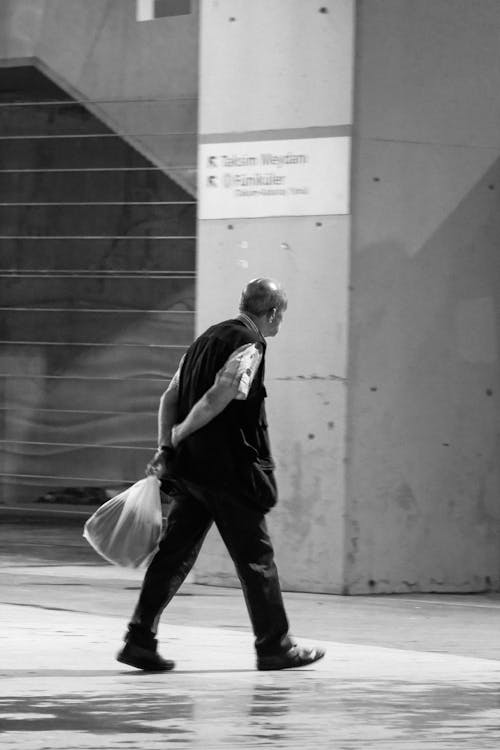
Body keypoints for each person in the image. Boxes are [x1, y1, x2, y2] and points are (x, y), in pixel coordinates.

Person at [117, 278, 325, 672]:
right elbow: (223, 392)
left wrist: (166, 447)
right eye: (282, 316)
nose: (281, 323)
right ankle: (274, 646)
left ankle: (139, 639)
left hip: (191, 473)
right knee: (256, 559)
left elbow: (170, 396)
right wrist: (178, 434)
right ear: (274, 313)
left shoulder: (204, 340)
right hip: (228, 474)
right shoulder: (249, 344)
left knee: (173, 555)